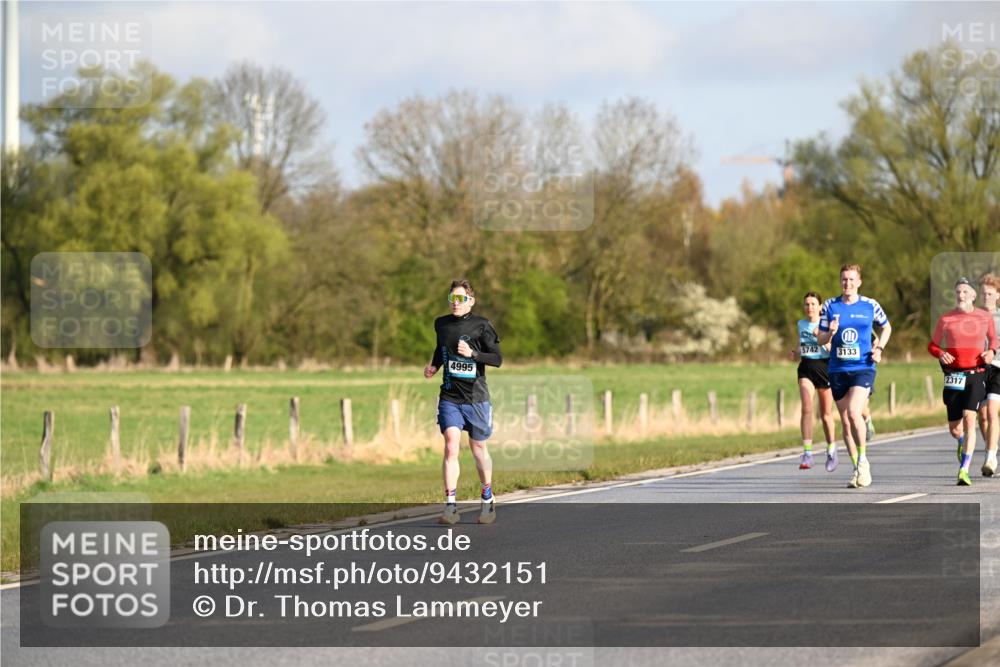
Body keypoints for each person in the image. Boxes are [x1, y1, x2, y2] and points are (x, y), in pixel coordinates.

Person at [424, 279, 502, 524]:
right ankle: (450, 507)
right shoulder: (441, 324)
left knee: (478, 449)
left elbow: (497, 359)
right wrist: (434, 366)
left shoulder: (482, 325)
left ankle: (487, 500)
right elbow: (441, 348)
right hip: (450, 396)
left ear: (471, 301)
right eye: (452, 299)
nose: (455, 304)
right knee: (450, 446)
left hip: (476, 398)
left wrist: (473, 354)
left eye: (460, 299)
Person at [816, 264, 891, 488]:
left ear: (859, 282)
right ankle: (857, 467)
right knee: (846, 423)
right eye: (844, 279)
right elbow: (819, 339)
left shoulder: (870, 305)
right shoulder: (830, 305)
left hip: (863, 367)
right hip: (837, 369)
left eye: (851, 279)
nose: (847, 283)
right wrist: (829, 332)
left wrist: (879, 349)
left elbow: (887, 327)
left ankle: (864, 461)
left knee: (853, 412)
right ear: (840, 282)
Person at [929, 278, 998, 485]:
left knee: (970, 418)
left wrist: (991, 351)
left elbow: (994, 339)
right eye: (958, 292)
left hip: (976, 374)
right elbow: (932, 345)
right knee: (955, 428)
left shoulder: (984, 317)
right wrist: (940, 353)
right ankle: (960, 441)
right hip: (953, 377)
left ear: (973, 296)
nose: (961, 295)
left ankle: (964, 469)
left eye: (965, 292)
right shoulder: (946, 319)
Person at [790, 291, 838, 471]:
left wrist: (823, 338)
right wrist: (795, 352)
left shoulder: (826, 324)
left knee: (825, 415)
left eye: (813, 304)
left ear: (820, 307)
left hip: (824, 368)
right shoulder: (801, 324)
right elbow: (801, 343)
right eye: (807, 304)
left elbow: (832, 349)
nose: (809, 307)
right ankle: (807, 453)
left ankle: (832, 449)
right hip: (806, 368)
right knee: (807, 407)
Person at [977, 273, 1000, 476]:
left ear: (998, 295)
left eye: (990, 293)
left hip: (998, 368)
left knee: (992, 411)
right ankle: (991, 448)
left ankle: (990, 457)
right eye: (983, 293)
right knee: (982, 417)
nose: (986, 297)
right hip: (977, 369)